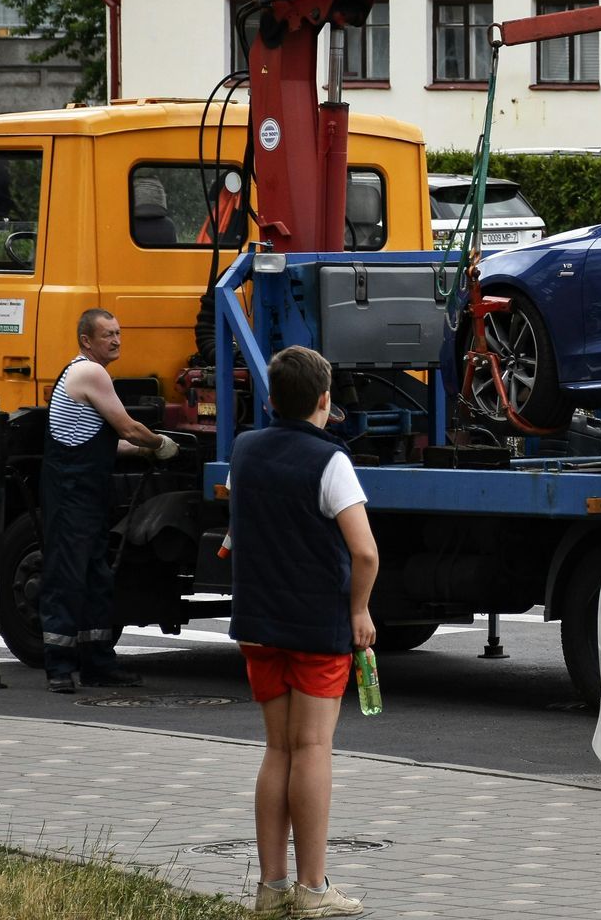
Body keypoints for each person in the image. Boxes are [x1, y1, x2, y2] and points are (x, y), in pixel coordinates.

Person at [228, 345, 378, 919]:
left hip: (259, 624)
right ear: (324, 400)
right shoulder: (331, 460)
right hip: (316, 626)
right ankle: (313, 890)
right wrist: (359, 611)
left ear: (270, 399)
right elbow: (364, 553)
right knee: (312, 749)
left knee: (277, 749)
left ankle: (270, 889)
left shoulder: (245, 450)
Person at [41, 308, 176, 694]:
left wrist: (138, 452)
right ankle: (60, 666)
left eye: (119, 332)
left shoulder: (86, 373)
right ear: (87, 341)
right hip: (71, 493)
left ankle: (98, 661)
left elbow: (100, 442)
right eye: (107, 335)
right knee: (68, 576)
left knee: (96, 575)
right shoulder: (90, 372)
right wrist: (161, 444)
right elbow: (129, 427)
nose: (116, 340)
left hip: (85, 490)